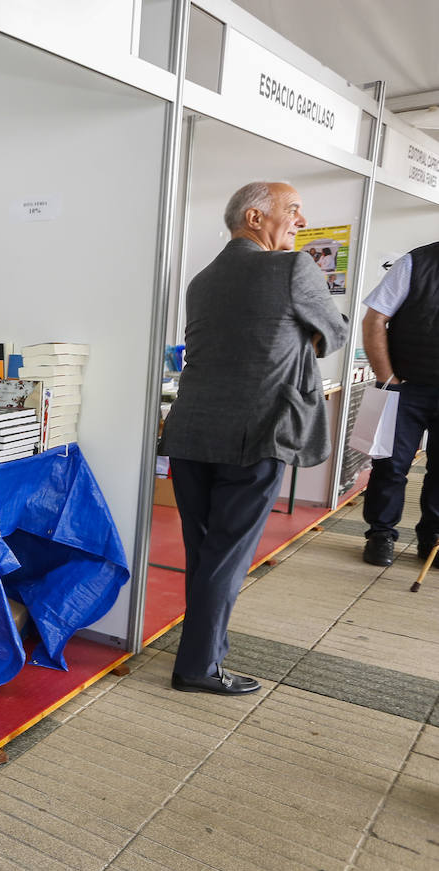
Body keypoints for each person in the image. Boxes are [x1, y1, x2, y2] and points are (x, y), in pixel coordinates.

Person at [161, 181, 348, 695]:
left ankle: (202, 655)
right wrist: (303, 334)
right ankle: (198, 667)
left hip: (190, 430)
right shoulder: (292, 268)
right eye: (292, 210)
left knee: (203, 551)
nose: (301, 221)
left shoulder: (202, 279)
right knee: (227, 556)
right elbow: (334, 332)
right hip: (256, 434)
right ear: (254, 217)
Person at [358, 242, 439, 567]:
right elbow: (375, 319)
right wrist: (387, 378)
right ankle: (380, 534)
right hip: (404, 387)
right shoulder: (415, 263)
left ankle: (431, 537)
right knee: (390, 464)